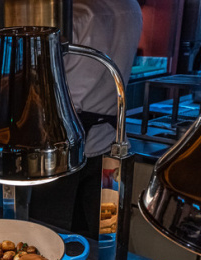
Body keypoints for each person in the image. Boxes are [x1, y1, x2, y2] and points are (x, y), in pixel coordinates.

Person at [26, 0, 142, 234]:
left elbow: (39, 82)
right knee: (105, 232)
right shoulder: (131, 7)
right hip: (111, 146)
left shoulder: (77, 14)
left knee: (47, 235)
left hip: (63, 146)